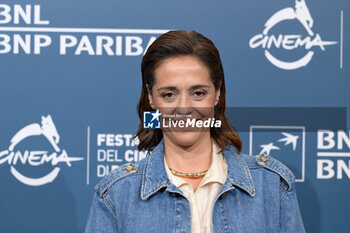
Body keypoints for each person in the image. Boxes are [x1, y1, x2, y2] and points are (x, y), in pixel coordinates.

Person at [85, 30, 306, 233]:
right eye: (169, 94)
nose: (184, 108)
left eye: (198, 93)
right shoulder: (116, 194)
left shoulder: (271, 186)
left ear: (217, 92)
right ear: (150, 97)